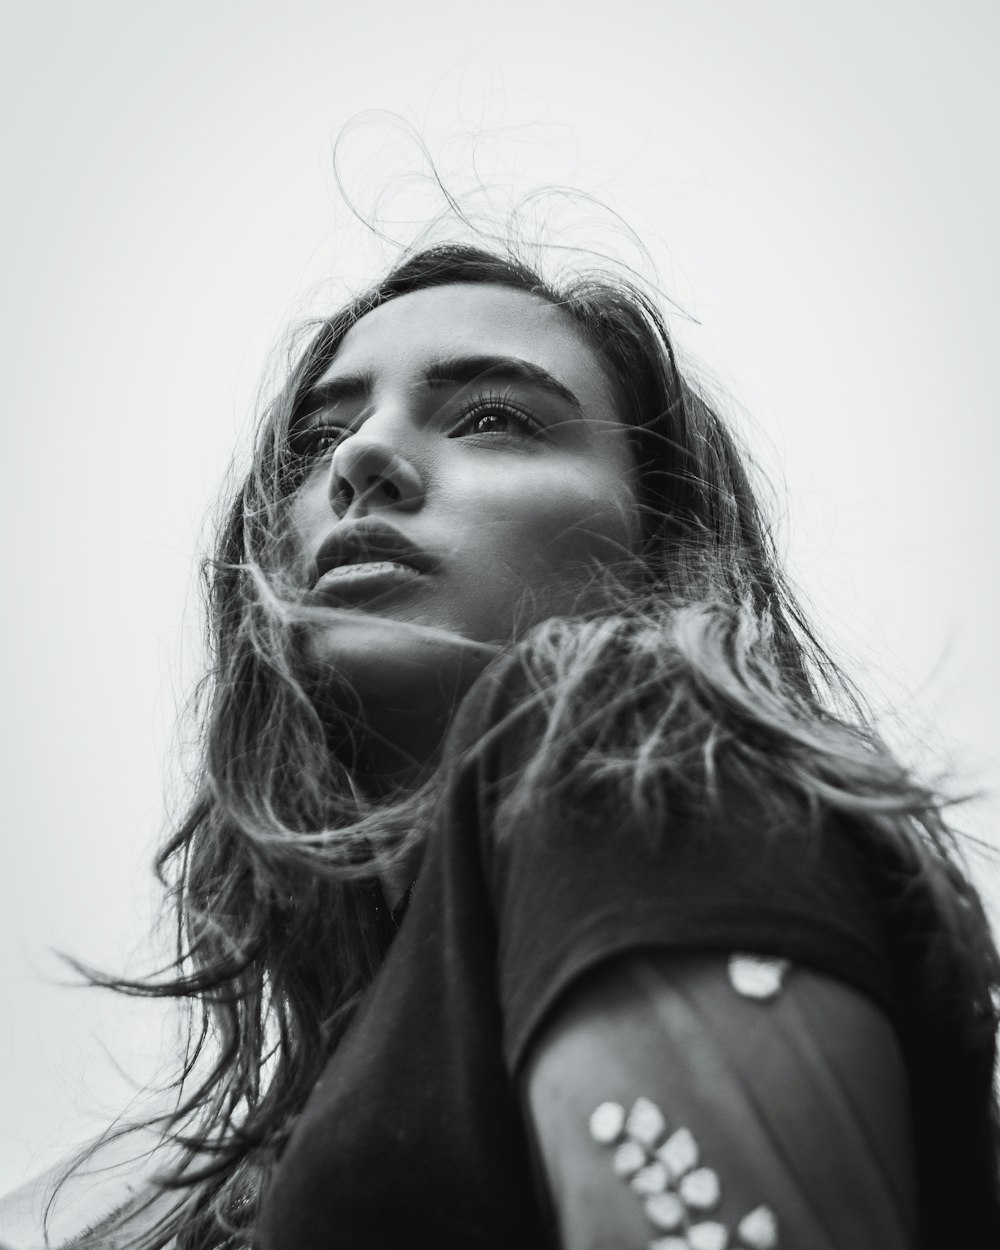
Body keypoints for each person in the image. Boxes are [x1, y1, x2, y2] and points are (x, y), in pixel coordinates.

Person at [16, 241, 1000, 1249]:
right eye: (316, 438)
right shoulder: (257, 1142)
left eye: (493, 418)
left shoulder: (628, 736)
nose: (358, 461)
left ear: (656, 545)